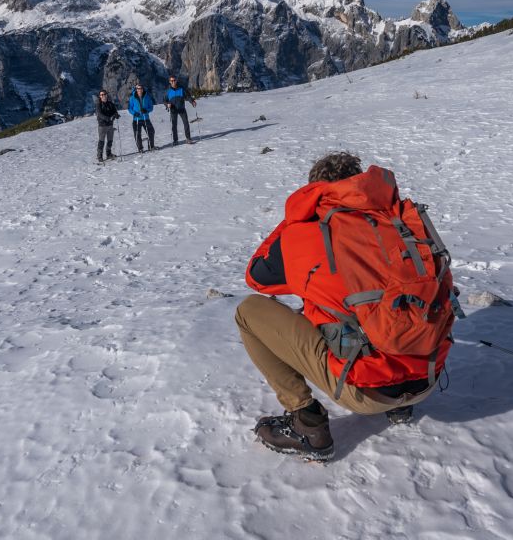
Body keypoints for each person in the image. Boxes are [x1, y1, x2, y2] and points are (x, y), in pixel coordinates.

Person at [235, 152, 454, 461]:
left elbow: (256, 276)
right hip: (427, 376)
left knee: (249, 312)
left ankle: (306, 424)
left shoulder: (308, 233)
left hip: (366, 391)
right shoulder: (402, 221)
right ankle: (402, 405)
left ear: (315, 192)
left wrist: (297, 216)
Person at [163, 75, 197, 145]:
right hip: (173, 110)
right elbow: (164, 100)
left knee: (186, 123)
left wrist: (192, 101)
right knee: (174, 125)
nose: (173, 82)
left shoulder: (181, 89)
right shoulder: (168, 91)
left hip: (181, 109)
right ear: (169, 82)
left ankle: (188, 138)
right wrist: (167, 104)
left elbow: (188, 96)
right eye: (171, 81)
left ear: (176, 80)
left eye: (174, 80)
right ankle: (175, 140)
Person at [127, 84, 156, 152]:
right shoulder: (132, 98)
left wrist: (146, 110)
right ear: (136, 89)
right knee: (137, 134)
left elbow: (151, 107)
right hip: (136, 119)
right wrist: (134, 113)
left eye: (140, 88)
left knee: (151, 131)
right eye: (138, 88)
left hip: (145, 118)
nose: (139, 90)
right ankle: (140, 148)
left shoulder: (147, 97)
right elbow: (130, 108)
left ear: (143, 89)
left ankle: (151, 146)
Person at [95, 89, 119, 161]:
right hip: (102, 126)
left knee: (110, 140)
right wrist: (109, 118)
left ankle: (108, 154)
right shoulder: (98, 105)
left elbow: (115, 111)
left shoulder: (110, 104)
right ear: (100, 96)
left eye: (104, 94)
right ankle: (99, 156)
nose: (103, 96)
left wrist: (116, 115)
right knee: (101, 141)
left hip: (110, 125)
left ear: (106, 95)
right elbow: (100, 114)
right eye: (102, 95)